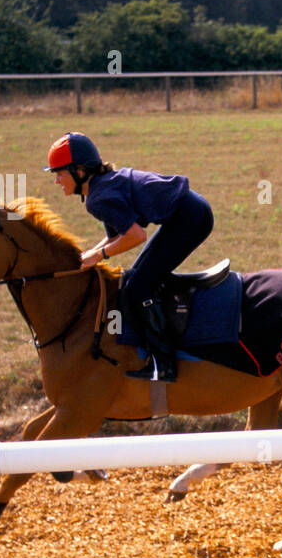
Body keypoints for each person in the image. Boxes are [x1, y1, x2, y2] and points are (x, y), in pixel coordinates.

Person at [45, 131, 213, 382]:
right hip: (189, 211)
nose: (57, 181)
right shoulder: (101, 186)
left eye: (60, 173)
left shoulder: (98, 198)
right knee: (138, 280)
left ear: (80, 171)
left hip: (191, 219)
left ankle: (165, 364)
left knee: (138, 288)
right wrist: (93, 254)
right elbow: (117, 236)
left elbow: (135, 236)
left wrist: (99, 254)